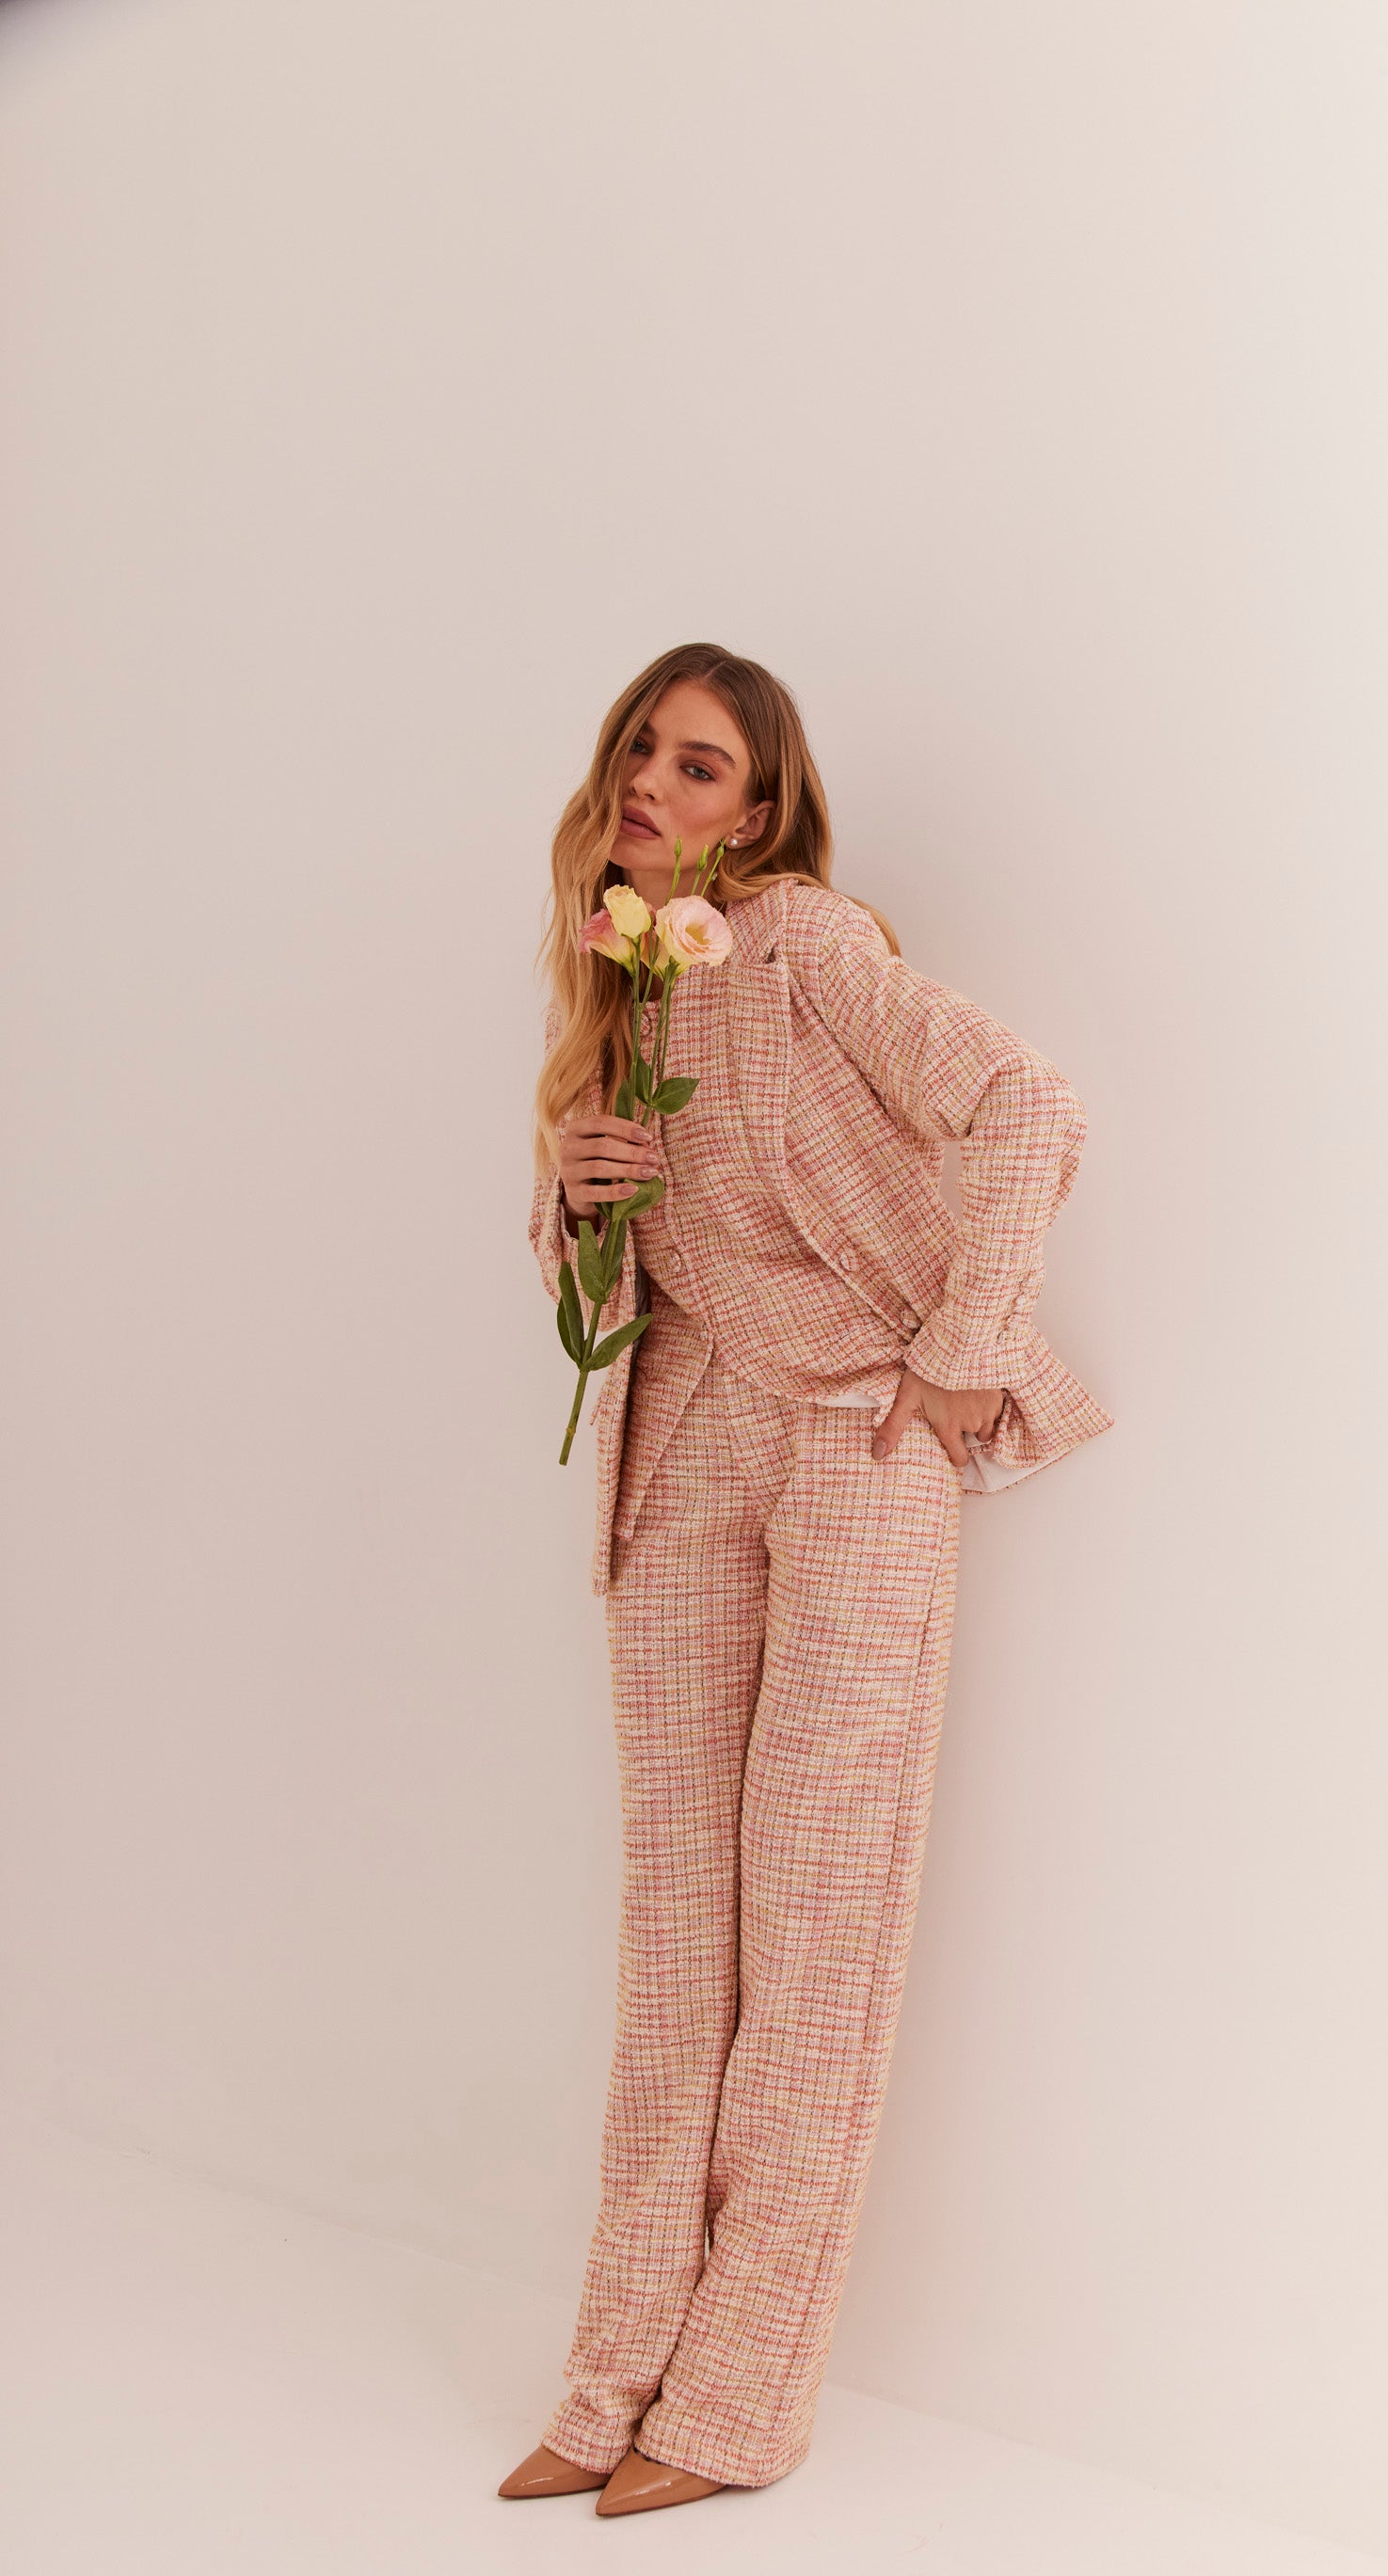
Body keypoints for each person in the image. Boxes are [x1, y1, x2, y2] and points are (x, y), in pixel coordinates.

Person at [499, 643, 1111, 2518]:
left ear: (758, 810)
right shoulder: (615, 979)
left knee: (817, 1918)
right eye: (639, 748)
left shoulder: (805, 945)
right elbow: (608, 1287)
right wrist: (573, 1191)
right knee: (679, 1923)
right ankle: (613, 2368)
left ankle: (738, 2397)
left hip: (855, 1438)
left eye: (697, 765)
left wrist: (960, 1350)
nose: (651, 782)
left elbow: (1031, 1106)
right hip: (685, 1439)